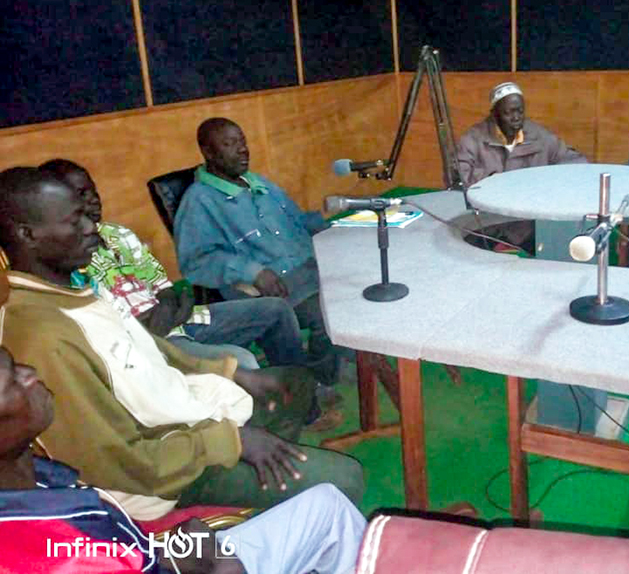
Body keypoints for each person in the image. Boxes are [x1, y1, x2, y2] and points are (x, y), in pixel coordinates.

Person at [0, 166, 363, 523]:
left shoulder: (71, 290)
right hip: (159, 482)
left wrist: (231, 374)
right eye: (73, 220)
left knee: (294, 384)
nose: (90, 227)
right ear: (27, 234)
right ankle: (262, 495)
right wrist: (232, 442)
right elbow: (120, 461)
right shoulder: (44, 337)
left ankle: (272, 496)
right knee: (346, 479)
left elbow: (150, 349)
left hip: (181, 422)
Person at [0, 339, 366, 573]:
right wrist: (220, 567)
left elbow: (128, 549)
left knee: (327, 506)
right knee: (336, 492)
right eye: (11, 381)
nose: (29, 372)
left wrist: (180, 547)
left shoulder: (38, 479)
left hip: (165, 554)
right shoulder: (53, 553)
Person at [39, 158, 307, 376]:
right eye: (81, 194)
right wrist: (160, 317)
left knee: (276, 310)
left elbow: (164, 288)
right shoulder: (63, 262)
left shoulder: (118, 234)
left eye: (93, 189)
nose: (93, 199)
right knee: (240, 361)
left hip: (180, 321)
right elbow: (111, 334)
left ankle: (302, 401)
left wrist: (169, 307)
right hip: (146, 345)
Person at [174, 117, 346, 393]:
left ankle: (333, 361)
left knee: (363, 285)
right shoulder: (199, 200)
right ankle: (317, 384)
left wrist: (337, 229)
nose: (242, 149)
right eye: (229, 144)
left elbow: (299, 221)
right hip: (271, 286)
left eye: (242, 141)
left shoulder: (258, 184)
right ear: (208, 152)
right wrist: (251, 271)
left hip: (309, 267)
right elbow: (196, 261)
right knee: (332, 313)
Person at [456, 81, 587, 190]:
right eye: (508, 112)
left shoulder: (539, 136)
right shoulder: (472, 140)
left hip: (525, 213)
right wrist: (493, 181)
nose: (516, 118)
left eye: (520, 111)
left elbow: (576, 162)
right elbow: (458, 180)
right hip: (485, 215)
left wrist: (549, 181)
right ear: (494, 114)